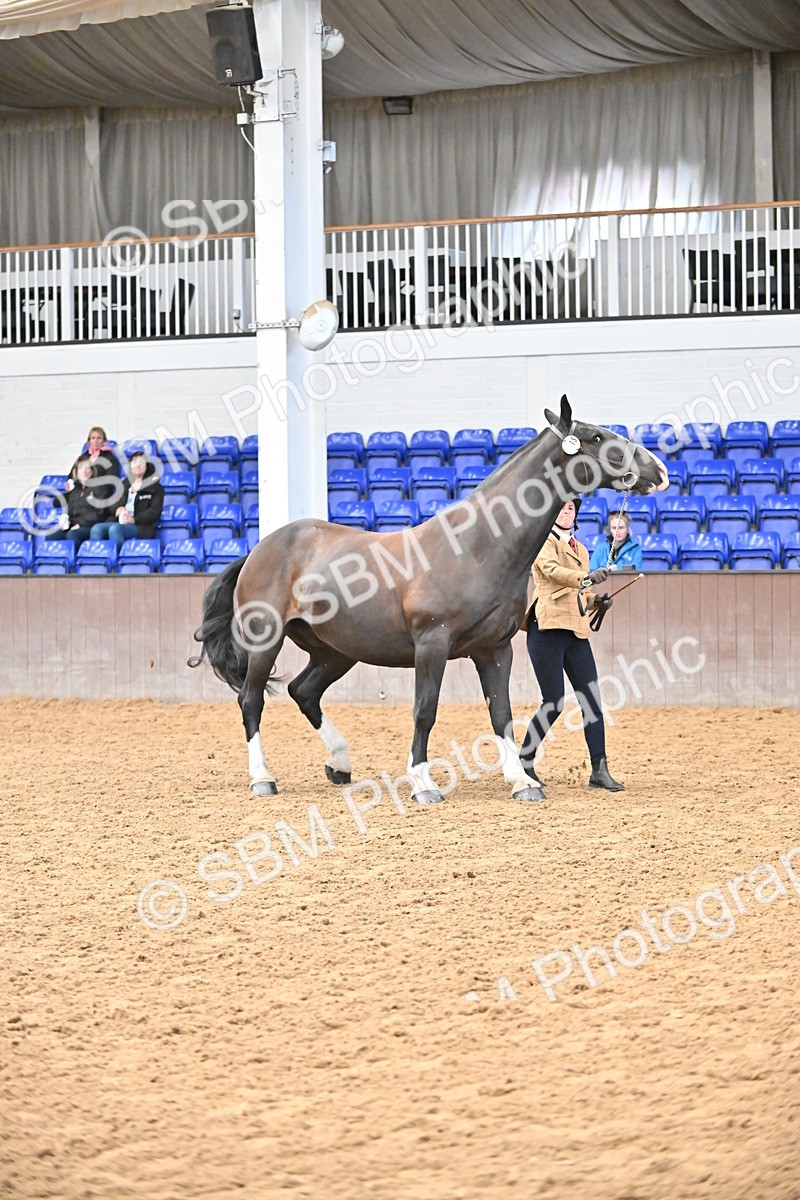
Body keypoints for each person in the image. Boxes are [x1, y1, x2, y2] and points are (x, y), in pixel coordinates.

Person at [520, 498, 624, 793]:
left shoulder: (582, 550)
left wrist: (598, 600)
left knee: (592, 702)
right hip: (548, 628)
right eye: (563, 508)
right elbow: (553, 572)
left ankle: (599, 769)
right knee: (552, 702)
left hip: (576, 632)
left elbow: (585, 592)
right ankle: (525, 760)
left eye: (571, 509)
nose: (568, 512)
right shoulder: (543, 541)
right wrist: (585, 577)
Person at [89, 451, 164, 545]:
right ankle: (98, 558)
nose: (138, 465)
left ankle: (118, 558)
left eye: (141, 462)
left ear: (147, 465)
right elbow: (113, 504)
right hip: (119, 522)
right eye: (134, 462)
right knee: (97, 528)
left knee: (115, 529)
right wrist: (118, 508)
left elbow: (154, 512)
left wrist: (133, 519)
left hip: (140, 525)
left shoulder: (156, 488)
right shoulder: (124, 484)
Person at [65, 425, 123, 524]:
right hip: (82, 493)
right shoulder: (83, 457)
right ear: (89, 441)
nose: (96, 441)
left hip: (101, 494)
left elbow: (111, 479)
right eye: (93, 438)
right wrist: (70, 483)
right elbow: (72, 476)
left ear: (104, 441)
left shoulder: (110, 458)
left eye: (99, 438)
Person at [46, 454, 99, 548]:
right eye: (81, 468)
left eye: (87, 468)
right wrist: (66, 521)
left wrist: (80, 524)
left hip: (89, 526)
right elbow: (57, 503)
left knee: (72, 534)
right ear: (76, 472)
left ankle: (73, 561)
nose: (84, 471)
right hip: (74, 526)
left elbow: (99, 514)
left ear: (92, 471)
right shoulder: (75, 491)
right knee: (51, 536)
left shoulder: (99, 488)